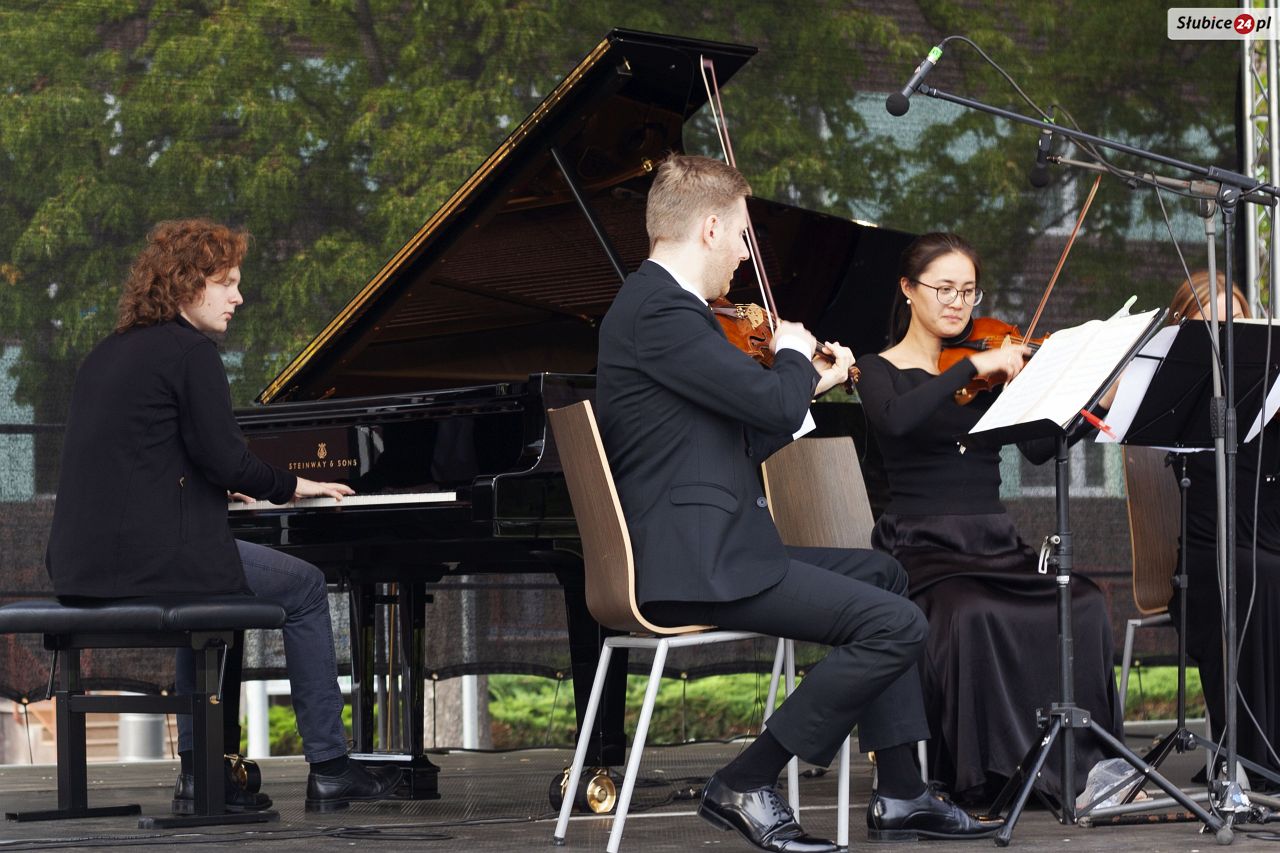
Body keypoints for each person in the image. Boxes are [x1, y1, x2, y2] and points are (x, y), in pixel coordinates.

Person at [595, 155, 999, 852]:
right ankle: (746, 779)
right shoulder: (662, 312)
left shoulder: (665, 310)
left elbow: (742, 435)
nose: (743, 255)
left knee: (886, 575)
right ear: (711, 227)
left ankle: (902, 792)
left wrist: (811, 382)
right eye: (742, 236)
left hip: (715, 547)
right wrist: (789, 352)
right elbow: (770, 401)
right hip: (700, 563)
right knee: (896, 624)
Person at [45, 219, 402, 813]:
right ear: (187, 282)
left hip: (77, 565)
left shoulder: (109, 352)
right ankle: (331, 768)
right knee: (306, 588)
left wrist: (219, 489)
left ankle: (200, 773)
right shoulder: (191, 353)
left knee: (210, 591)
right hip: (152, 560)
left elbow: (144, 462)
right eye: (226, 282)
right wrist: (293, 485)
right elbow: (225, 457)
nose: (238, 296)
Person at [854, 232, 1122, 806]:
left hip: (994, 544)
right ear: (908, 289)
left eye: (969, 291)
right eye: (945, 289)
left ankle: (1081, 767)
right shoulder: (877, 369)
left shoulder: (989, 373)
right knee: (968, 612)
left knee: (1084, 602)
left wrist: (1089, 403)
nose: (958, 303)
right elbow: (896, 419)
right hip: (923, 549)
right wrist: (974, 365)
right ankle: (992, 772)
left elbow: (1039, 450)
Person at [1168, 271, 1280, 788]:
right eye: (1209, 322)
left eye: (1234, 319)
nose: (1225, 332)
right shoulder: (1179, 391)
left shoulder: (1267, 380)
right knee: (1258, 574)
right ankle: (1254, 758)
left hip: (1265, 536)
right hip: (1209, 552)